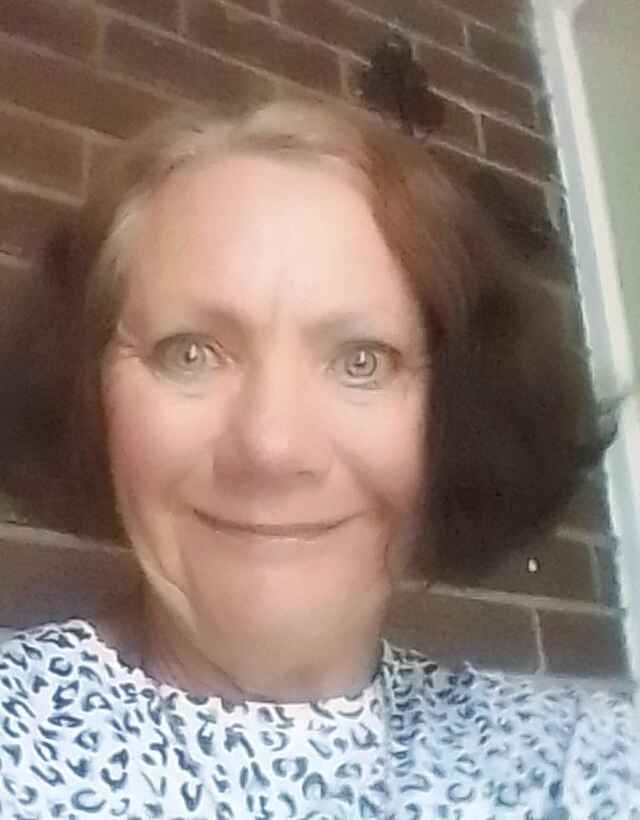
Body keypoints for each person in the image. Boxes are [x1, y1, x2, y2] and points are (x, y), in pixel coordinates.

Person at [0, 97, 638, 818]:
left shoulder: (582, 766)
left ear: (457, 416)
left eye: (363, 360)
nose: (272, 448)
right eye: (190, 352)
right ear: (86, 393)